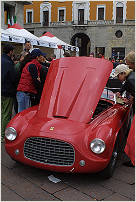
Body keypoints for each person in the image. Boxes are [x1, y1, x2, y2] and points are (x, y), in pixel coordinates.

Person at [112, 63, 135, 167]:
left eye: (118, 76)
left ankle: (133, 159)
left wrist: (132, 99)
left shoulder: (130, 80)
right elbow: (123, 88)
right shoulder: (130, 77)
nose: (117, 78)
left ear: (122, 73)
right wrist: (119, 93)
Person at [1, 44, 17, 142]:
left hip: (2, 90)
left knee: (3, 113)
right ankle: (3, 135)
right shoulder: (8, 62)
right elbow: (13, 78)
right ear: (10, 52)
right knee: (6, 114)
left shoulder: (2, 60)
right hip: (7, 91)